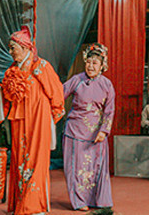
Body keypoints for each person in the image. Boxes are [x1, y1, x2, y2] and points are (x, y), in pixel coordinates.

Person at [0, 25, 65, 215]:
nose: (11, 52)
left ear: (25, 47)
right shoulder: (12, 70)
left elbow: (56, 93)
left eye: (13, 48)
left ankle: (33, 206)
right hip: (19, 121)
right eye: (10, 48)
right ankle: (21, 202)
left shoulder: (41, 67)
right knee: (19, 159)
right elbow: (7, 97)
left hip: (38, 120)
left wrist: (52, 116)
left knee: (36, 160)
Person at [61, 43, 115, 212]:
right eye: (89, 62)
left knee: (96, 167)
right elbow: (59, 95)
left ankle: (99, 200)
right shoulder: (77, 80)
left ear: (102, 66)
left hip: (96, 134)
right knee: (75, 169)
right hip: (75, 131)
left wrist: (104, 131)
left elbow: (109, 111)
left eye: (95, 63)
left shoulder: (107, 85)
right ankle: (79, 201)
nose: (91, 66)